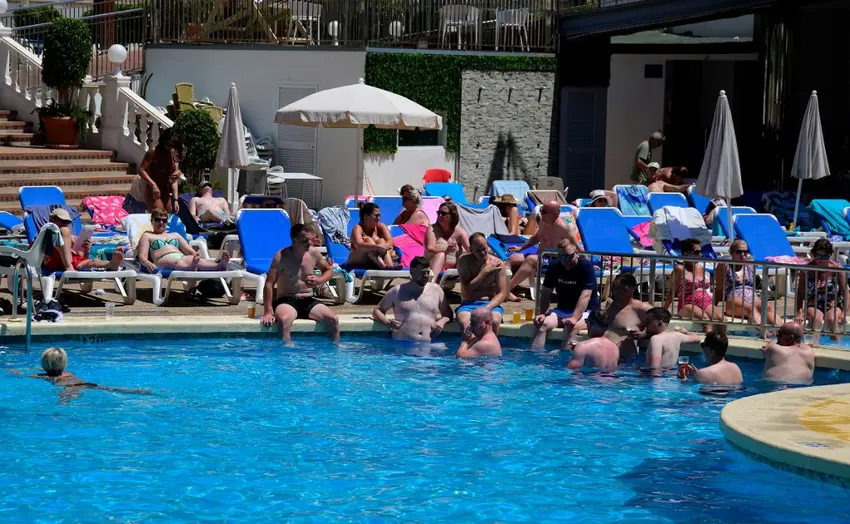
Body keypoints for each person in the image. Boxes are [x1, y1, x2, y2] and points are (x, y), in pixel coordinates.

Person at [261, 224, 340, 344]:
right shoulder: (281, 256)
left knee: (333, 320)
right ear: (294, 240)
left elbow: (328, 270)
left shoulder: (313, 253)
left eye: (310, 239)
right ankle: (286, 351)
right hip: (287, 300)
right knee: (284, 320)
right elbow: (269, 284)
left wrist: (319, 280)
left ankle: (334, 351)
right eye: (305, 241)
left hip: (307, 299)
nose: (309, 243)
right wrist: (268, 312)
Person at [530, 238, 599, 350]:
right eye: (561, 257)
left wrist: (574, 317)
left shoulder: (586, 267)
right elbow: (546, 293)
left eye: (568, 256)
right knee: (542, 324)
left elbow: (585, 296)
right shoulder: (554, 266)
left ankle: (564, 359)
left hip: (587, 311)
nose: (565, 260)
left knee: (571, 327)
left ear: (576, 253)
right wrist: (542, 313)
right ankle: (535, 358)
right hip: (563, 309)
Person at [8, 347, 152, 399]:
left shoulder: (41, 376)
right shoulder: (68, 373)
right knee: (113, 389)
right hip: (86, 384)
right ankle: (138, 391)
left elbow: (24, 376)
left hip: (69, 388)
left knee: (63, 402)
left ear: (44, 363)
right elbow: (54, 370)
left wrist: (16, 372)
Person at [506, 201, 580, 301]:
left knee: (530, 259)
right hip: (542, 257)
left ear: (555, 214)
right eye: (541, 210)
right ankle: (508, 288)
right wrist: (521, 248)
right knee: (512, 258)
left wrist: (587, 262)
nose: (541, 213)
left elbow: (577, 246)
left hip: (555, 259)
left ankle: (505, 290)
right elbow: (536, 237)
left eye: (544, 212)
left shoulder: (563, 228)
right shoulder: (543, 221)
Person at [372, 256, 454, 342]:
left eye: (427, 272)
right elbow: (377, 311)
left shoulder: (436, 290)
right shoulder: (397, 291)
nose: (426, 275)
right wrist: (388, 323)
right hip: (402, 345)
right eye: (422, 272)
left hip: (429, 346)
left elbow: (448, 314)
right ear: (411, 271)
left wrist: (442, 322)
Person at [136, 208, 230, 272]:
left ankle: (219, 266)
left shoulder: (175, 235)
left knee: (197, 260)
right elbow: (142, 256)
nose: (161, 223)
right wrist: (147, 263)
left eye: (164, 220)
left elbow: (188, 250)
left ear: (167, 222)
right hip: (162, 259)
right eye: (157, 219)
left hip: (180, 256)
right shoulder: (147, 235)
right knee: (178, 262)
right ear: (152, 221)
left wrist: (196, 255)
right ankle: (190, 268)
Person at [715, 240, 781, 326]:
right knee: (751, 309)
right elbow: (719, 289)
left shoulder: (750, 265)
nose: (743, 254)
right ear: (732, 252)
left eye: (746, 252)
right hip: (734, 299)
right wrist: (713, 307)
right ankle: (763, 332)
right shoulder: (724, 266)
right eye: (739, 252)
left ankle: (781, 331)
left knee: (768, 307)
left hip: (752, 298)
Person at [665, 238, 723, 330]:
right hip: (687, 304)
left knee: (722, 319)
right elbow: (672, 291)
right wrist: (663, 311)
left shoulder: (700, 267)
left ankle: (722, 339)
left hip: (705, 302)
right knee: (705, 320)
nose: (700, 254)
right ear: (686, 254)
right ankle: (709, 339)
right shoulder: (680, 269)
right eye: (696, 252)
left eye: (700, 251)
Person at [796, 239, 847, 343]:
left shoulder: (837, 269)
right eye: (817, 256)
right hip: (813, 303)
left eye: (824, 257)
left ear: (829, 255)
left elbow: (845, 293)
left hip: (833, 303)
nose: (820, 260)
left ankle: (838, 346)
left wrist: (844, 313)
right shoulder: (806, 270)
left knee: (832, 319)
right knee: (817, 318)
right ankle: (815, 345)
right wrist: (799, 312)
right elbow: (800, 293)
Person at [43, 208, 125, 272]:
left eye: (66, 222)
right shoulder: (47, 231)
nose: (65, 224)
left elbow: (81, 256)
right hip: (53, 260)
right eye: (62, 221)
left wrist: (86, 250)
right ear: (52, 220)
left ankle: (111, 264)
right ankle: (68, 266)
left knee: (93, 261)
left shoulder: (69, 236)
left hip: (73, 261)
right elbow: (45, 250)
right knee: (64, 231)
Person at [456, 233, 507, 333]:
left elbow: (502, 293)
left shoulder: (498, 264)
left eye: (484, 249)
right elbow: (468, 288)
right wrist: (484, 272)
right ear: (471, 249)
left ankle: (491, 343)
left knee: (494, 321)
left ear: (487, 245)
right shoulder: (464, 261)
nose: (483, 253)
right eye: (478, 250)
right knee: (466, 323)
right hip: (469, 304)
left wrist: (486, 309)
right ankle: (468, 343)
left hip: (490, 304)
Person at [604, 274, 652, 357]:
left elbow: (662, 323)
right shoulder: (609, 305)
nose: (614, 291)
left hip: (625, 359)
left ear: (630, 289)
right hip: (604, 356)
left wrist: (645, 333)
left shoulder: (641, 308)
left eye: (617, 287)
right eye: (613, 287)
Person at [138, 128, 182, 213]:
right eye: (168, 144)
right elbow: (141, 170)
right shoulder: (153, 151)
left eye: (173, 146)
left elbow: (174, 179)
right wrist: (153, 185)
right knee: (158, 213)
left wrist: (175, 199)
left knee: (167, 213)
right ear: (163, 141)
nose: (170, 148)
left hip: (165, 189)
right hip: (153, 188)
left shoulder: (172, 154)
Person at [424, 201, 469, 282]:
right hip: (431, 268)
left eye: (443, 213)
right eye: (439, 213)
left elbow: (471, 250)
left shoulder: (459, 233)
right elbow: (429, 248)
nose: (440, 215)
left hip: (453, 272)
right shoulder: (432, 229)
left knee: (467, 257)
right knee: (441, 255)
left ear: (452, 216)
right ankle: (431, 283)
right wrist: (445, 251)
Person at [678, 332, 743, 385]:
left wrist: (684, 378)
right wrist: (697, 374)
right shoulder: (736, 368)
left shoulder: (703, 373)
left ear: (710, 351)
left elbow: (690, 392)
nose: (703, 349)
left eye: (703, 345)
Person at [347, 202, 395, 269]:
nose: (379, 218)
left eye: (379, 215)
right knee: (368, 240)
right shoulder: (358, 228)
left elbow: (390, 242)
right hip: (358, 260)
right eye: (376, 215)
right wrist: (377, 247)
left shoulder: (381, 226)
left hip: (374, 260)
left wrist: (382, 247)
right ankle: (383, 266)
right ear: (366, 216)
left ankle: (389, 266)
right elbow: (359, 244)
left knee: (381, 241)